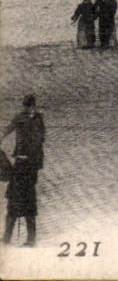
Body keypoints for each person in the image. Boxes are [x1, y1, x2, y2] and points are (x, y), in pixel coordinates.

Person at [3, 95, 44, 246]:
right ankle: (7, 237)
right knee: (14, 199)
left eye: (29, 107)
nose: (27, 109)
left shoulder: (38, 120)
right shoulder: (20, 117)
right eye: (26, 107)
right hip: (21, 162)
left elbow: (39, 141)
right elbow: (9, 128)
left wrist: (31, 157)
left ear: (33, 106)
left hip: (30, 166)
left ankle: (30, 239)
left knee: (27, 201)